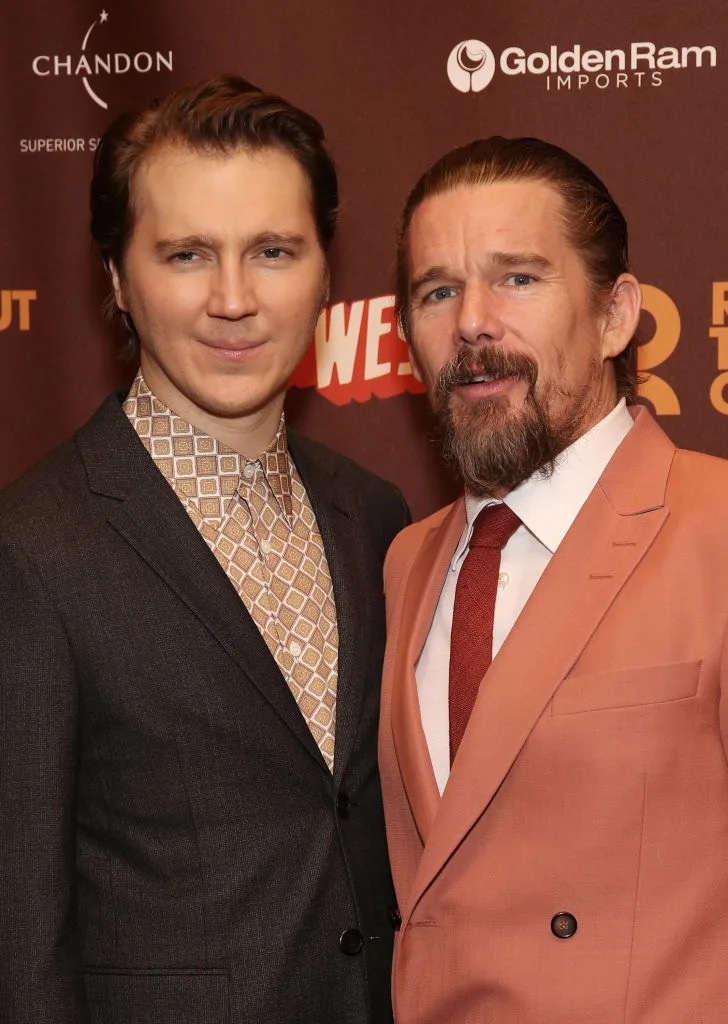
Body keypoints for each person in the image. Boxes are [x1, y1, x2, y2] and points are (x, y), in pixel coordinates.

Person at [0, 75, 409, 1024]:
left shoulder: (376, 515)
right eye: (187, 254)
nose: (235, 299)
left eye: (273, 250)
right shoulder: (32, 550)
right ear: (116, 279)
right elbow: (22, 934)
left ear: (325, 272)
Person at [378, 136, 728, 1022]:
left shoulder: (716, 527)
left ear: (616, 317)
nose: (472, 322)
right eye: (438, 291)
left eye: (519, 279)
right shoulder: (406, 562)